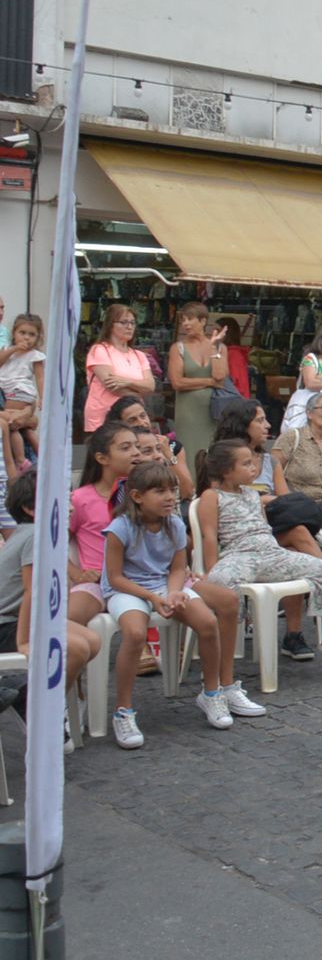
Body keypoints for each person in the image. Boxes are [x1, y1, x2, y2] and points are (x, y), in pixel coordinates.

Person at [104, 462, 263, 748]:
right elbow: (115, 578)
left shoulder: (176, 524)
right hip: (129, 588)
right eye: (160, 491)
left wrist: (174, 593)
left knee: (207, 622)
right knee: (135, 633)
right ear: (138, 496)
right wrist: (154, 597)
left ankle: (212, 693)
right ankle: (123, 711)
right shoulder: (120, 527)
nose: (169, 497)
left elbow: (178, 568)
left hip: (165, 584)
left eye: (173, 490)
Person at [197, 439, 322, 669]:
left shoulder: (253, 495)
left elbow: (264, 528)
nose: (254, 468)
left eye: (253, 463)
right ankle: (223, 648)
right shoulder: (212, 497)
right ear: (226, 471)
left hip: (270, 552)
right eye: (246, 464)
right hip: (238, 555)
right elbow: (209, 536)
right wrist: (210, 570)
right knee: (221, 582)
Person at [1, 471, 101, 739]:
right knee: (76, 649)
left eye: (68, 498)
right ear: (30, 509)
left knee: (92, 641)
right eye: (60, 500)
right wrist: (24, 642)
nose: (70, 507)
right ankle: (43, 712)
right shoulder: (36, 536)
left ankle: (39, 699)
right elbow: (32, 590)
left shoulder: (36, 532)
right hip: (7, 625)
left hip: (23, 618)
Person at [69, 423, 141, 630]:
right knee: (68, 620)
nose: (136, 452)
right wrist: (77, 574)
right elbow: (52, 544)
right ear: (102, 459)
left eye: (137, 446)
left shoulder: (145, 494)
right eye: (126, 448)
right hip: (98, 582)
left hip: (143, 578)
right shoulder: (81, 499)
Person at [167, 302, 227, 473]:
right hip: (188, 413)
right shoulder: (177, 348)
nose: (185, 324)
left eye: (190, 319)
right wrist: (208, 382)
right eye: (183, 320)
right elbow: (177, 382)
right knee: (189, 451)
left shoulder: (219, 347)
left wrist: (214, 348)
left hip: (212, 412)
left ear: (203, 321)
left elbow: (220, 377)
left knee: (211, 451)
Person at [84, 304, 157, 432]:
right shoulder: (100, 350)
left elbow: (151, 386)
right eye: (123, 322)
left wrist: (127, 382)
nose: (129, 327)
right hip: (104, 416)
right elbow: (112, 386)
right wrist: (139, 393)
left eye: (132, 323)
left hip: (133, 417)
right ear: (110, 325)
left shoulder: (139, 355)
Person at [0, 313, 44, 457]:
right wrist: (13, 349)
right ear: (14, 333)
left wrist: (42, 397)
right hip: (7, 390)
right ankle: (42, 458)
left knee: (12, 425)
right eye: (22, 333)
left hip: (19, 391)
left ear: (38, 337)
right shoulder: (7, 349)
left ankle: (20, 461)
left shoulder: (35, 355)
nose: (26, 338)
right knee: (25, 428)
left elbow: (40, 378)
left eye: (32, 334)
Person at [212, 316, 253, 398]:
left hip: (233, 402)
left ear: (228, 334)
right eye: (213, 330)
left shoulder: (234, 355)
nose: (214, 334)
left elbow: (236, 383)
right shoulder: (229, 352)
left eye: (218, 331)